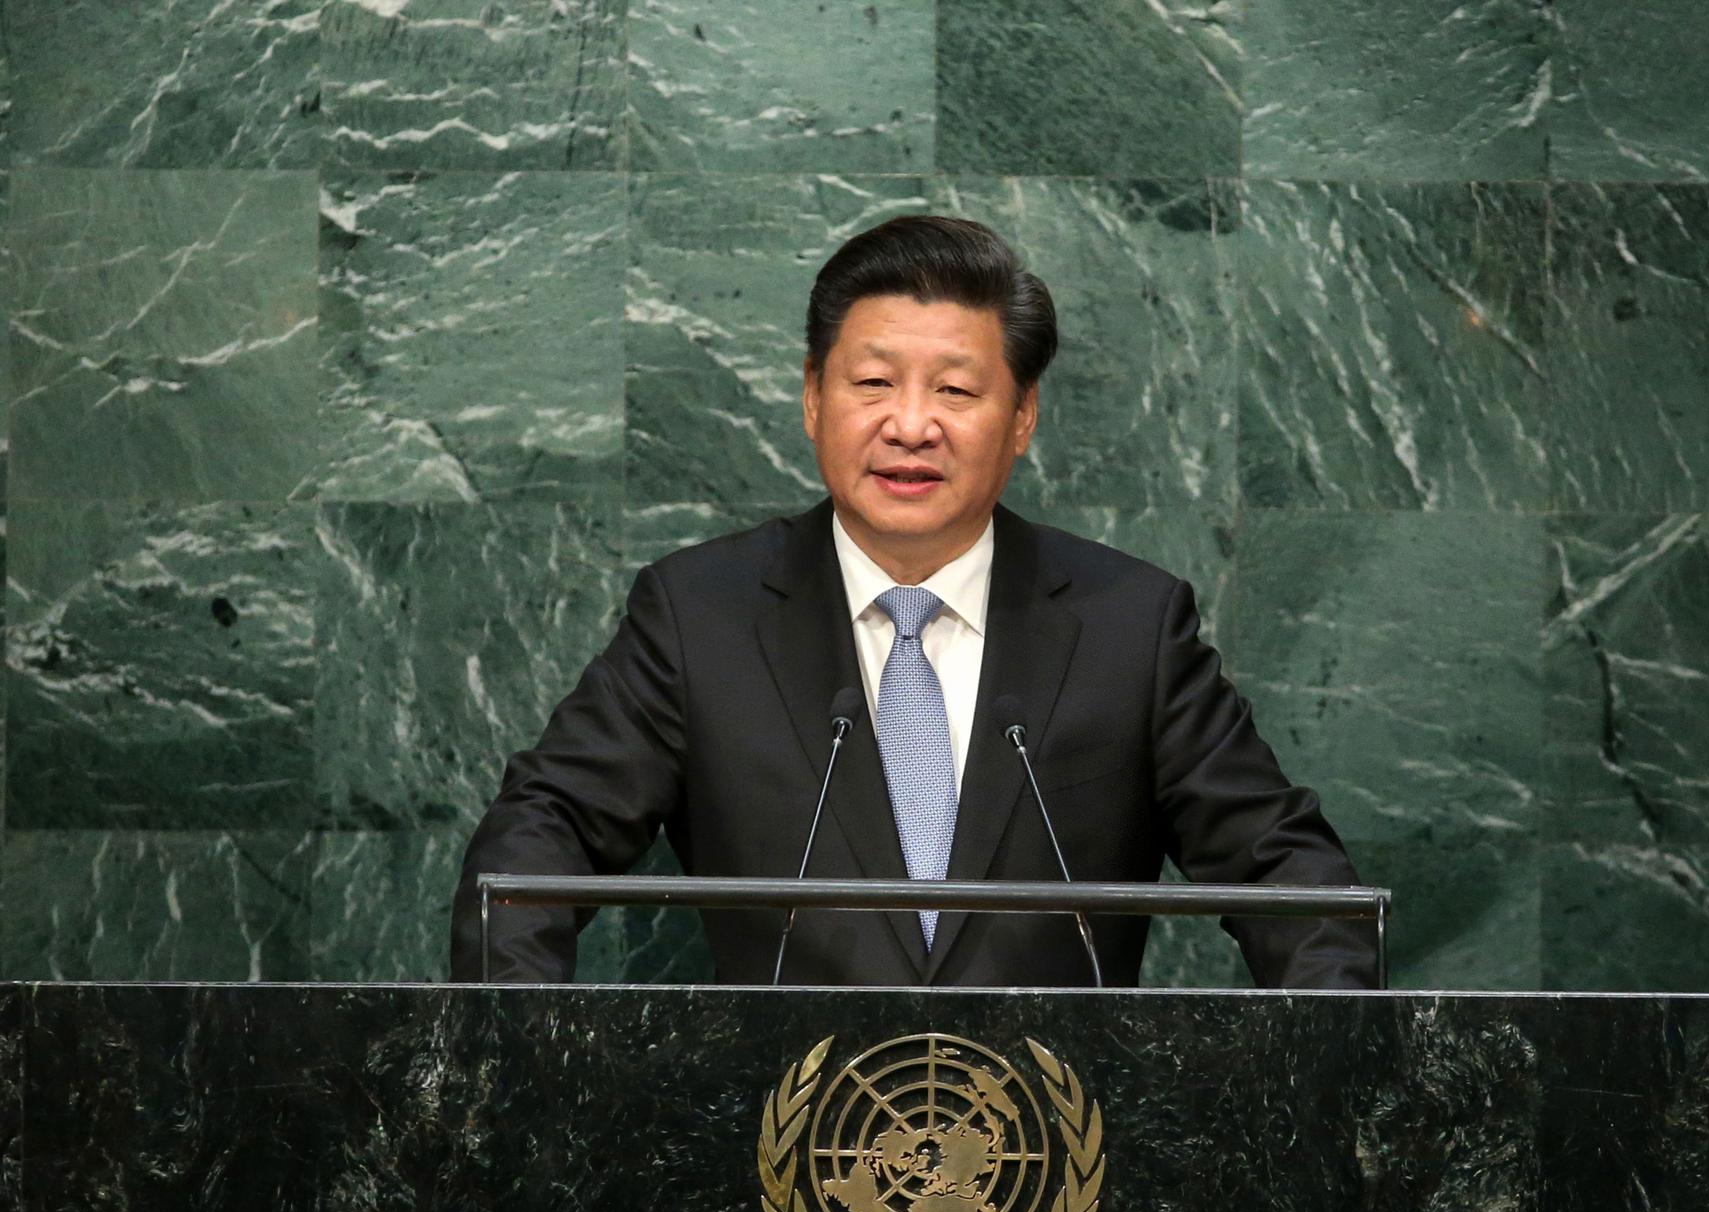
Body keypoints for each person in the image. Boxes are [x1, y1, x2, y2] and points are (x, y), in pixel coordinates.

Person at [450, 215, 1377, 988]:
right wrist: (524, 1055)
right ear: (813, 397)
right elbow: (544, 834)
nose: (909, 424)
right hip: (776, 1161)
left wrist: (1332, 1078)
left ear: (1021, 419)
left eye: (957, 389)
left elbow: (1288, 874)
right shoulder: (701, 616)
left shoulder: (1129, 625)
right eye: (874, 382)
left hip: (1057, 1168)